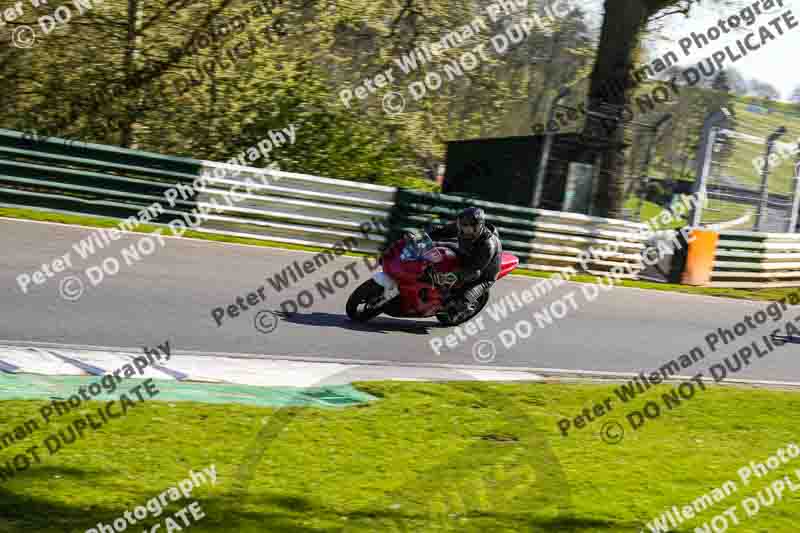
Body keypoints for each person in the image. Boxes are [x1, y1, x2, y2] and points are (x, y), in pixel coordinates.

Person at [408, 207, 502, 321]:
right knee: (439, 246)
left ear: (478, 227)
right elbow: (440, 231)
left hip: (483, 274)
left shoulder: (487, 245)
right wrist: (421, 236)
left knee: (461, 301)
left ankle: (463, 309)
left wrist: (449, 276)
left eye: (468, 228)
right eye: (462, 226)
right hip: (466, 254)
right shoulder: (460, 227)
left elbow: (474, 271)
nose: (464, 230)